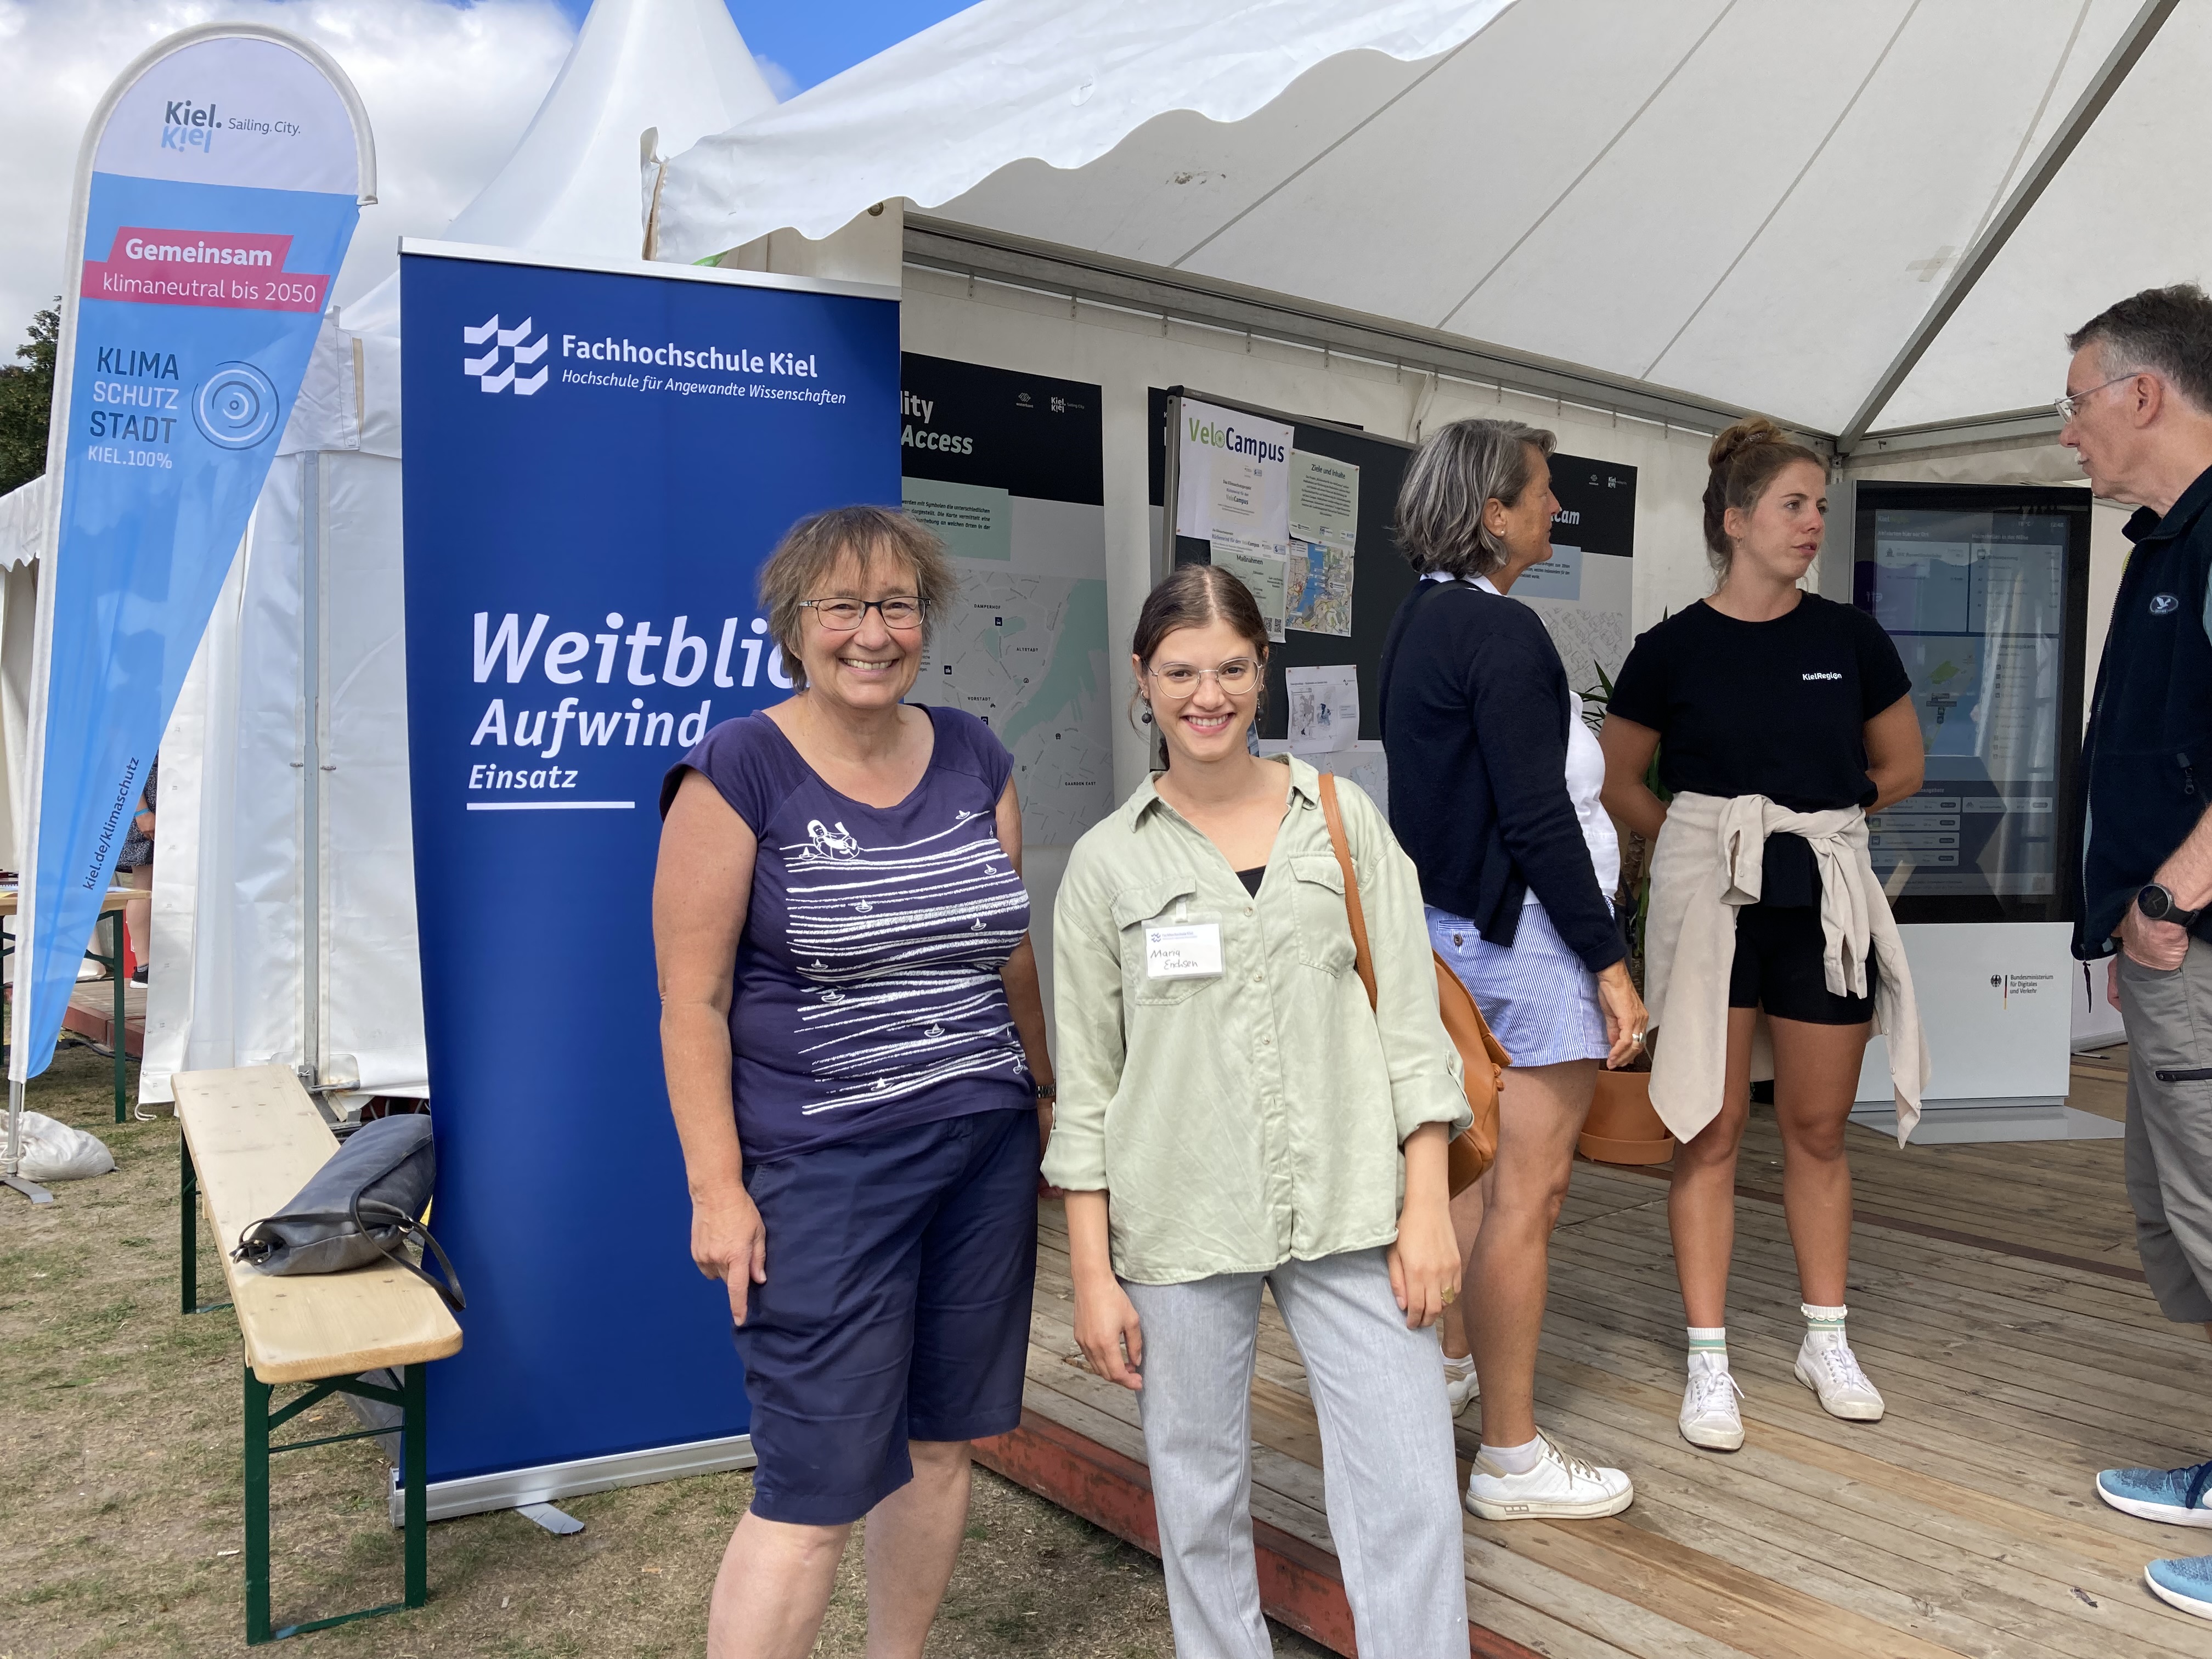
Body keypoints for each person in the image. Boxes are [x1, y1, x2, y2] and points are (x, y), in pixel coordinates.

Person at [653, 505, 1055, 1659]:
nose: (871, 632)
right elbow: (694, 1002)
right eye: (842, 606)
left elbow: (1006, 946)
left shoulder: (979, 754)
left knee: (940, 1444)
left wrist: (1047, 1090)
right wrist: (718, 1191)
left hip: (984, 1150)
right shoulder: (738, 769)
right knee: (814, 1486)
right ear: (794, 624)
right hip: (825, 1173)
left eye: (896, 605)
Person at [1049, 562, 1471, 1658]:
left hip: (1353, 1205)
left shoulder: (1343, 823)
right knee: (1197, 1496)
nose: (1209, 695)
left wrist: (1426, 1207)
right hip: (1179, 1219)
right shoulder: (1105, 867)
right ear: (1143, 679)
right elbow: (1086, 1090)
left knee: (1412, 1490)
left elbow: (1412, 1036)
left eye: (1231, 668)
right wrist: (1092, 1275)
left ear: (1262, 671)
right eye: (1181, 671)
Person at [1599, 416, 1926, 1455]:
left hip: (1818, 905)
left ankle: (1822, 1338)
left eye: (1819, 506)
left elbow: (1903, 766)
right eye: (1793, 505)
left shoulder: (1849, 639)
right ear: (1734, 520)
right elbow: (1616, 780)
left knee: (1819, 1128)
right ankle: (1708, 1357)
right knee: (1708, 1128)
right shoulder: (1670, 650)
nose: (1812, 524)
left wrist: (1820, 828)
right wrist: (1695, 846)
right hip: (1711, 909)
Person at [1380, 416, 1646, 1522]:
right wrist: (1610, 962)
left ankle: (1448, 1377)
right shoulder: (1506, 634)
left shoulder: (1424, 624)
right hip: (1531, 939)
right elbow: (1538, 818)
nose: (1555, 510)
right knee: (1523, 1201)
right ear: (1494, 513)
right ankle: (1513, 1458)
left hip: (1458, 932)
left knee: (1482, 1188)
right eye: (1542, 493)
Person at [2053, 285, 2212, 1624]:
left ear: (2145, 393)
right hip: (2163, 948)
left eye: (2078, 403)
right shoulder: (2168, 543)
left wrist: (2169, 894)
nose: (2069, 434)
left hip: (2199, 943)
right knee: (2184, 1227)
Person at [114, 759, 156, 984]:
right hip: (150, 799)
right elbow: (127, 759)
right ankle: (144, 966)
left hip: (183, 794)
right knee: (144, 884)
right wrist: (141, 811)